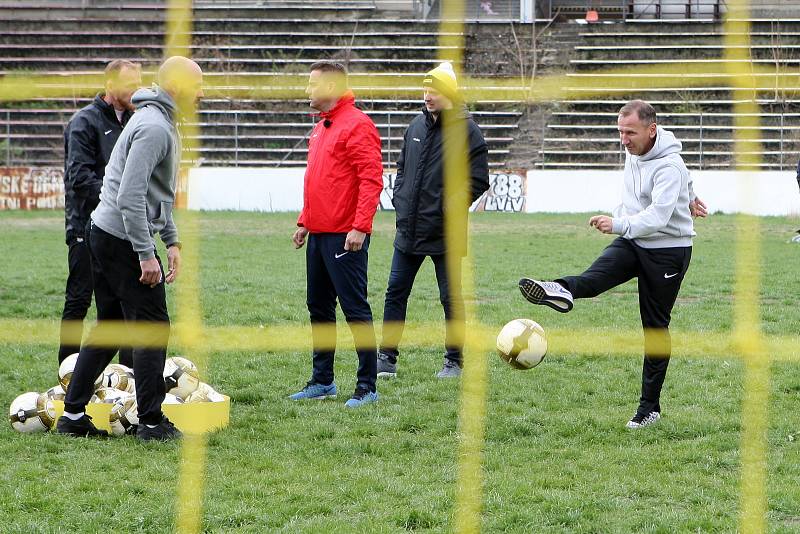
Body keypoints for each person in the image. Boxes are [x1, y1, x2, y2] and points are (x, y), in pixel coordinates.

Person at [519, 100, 707, 429]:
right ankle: (557, 289)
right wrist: (690, 197)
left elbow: (659, 217)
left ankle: (649, 409)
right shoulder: (636, 148)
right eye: (620, 132)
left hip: (667, 250)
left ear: (651, 130)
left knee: (655, 329)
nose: (624, 139)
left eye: (629, 132)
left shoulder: (669, 166)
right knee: (593, 279)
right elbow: (684, 180)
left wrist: (618, 223)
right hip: (634, 240)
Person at [56, 56, 204, 440]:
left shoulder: (157, 120)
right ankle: (151, 423)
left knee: (112, 326)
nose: (202, 93)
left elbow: (157, 194)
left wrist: (170, 240)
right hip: (119, 238)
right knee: (153, 327)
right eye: (197, 85)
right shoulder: (155, 126)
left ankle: (72, 415)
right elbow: (130, 195)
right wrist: (145, 252)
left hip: (105, 233)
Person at [377, 61, 489, 380]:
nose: (427, 95)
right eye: (425, 89)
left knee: (450, 298)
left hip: (446, 234)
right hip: (408, 230)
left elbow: (478, 180)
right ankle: (386, 358)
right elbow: (401, 169)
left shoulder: (468, 131)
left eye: (434, 90)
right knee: (395, 292)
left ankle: (454, 361)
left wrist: (447, 208)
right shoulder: (415, 126)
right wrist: (400, 200)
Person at [289, 61, 384, 408]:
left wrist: (360, 226)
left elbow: (371, 180)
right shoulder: (322, 127)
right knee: (319, 307)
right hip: (319, 234)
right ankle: (323, 381)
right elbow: (320, 180)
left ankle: (367, 386)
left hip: (346, 235)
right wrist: (304, 221)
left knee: (355, 308)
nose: (307, 90)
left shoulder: (357, 125)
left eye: (312, 84)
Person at [59, 59, 141, 366]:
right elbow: (78, 178)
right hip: (84, 226)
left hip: (121, 230)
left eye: (138, 82)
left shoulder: (136, 121)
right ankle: (66, 372)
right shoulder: (84, 122)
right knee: (80, 300)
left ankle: (126, 379)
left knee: (126, 305)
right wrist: (117, 199)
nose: (135, 90)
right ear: (109, 85)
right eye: (129, 84)